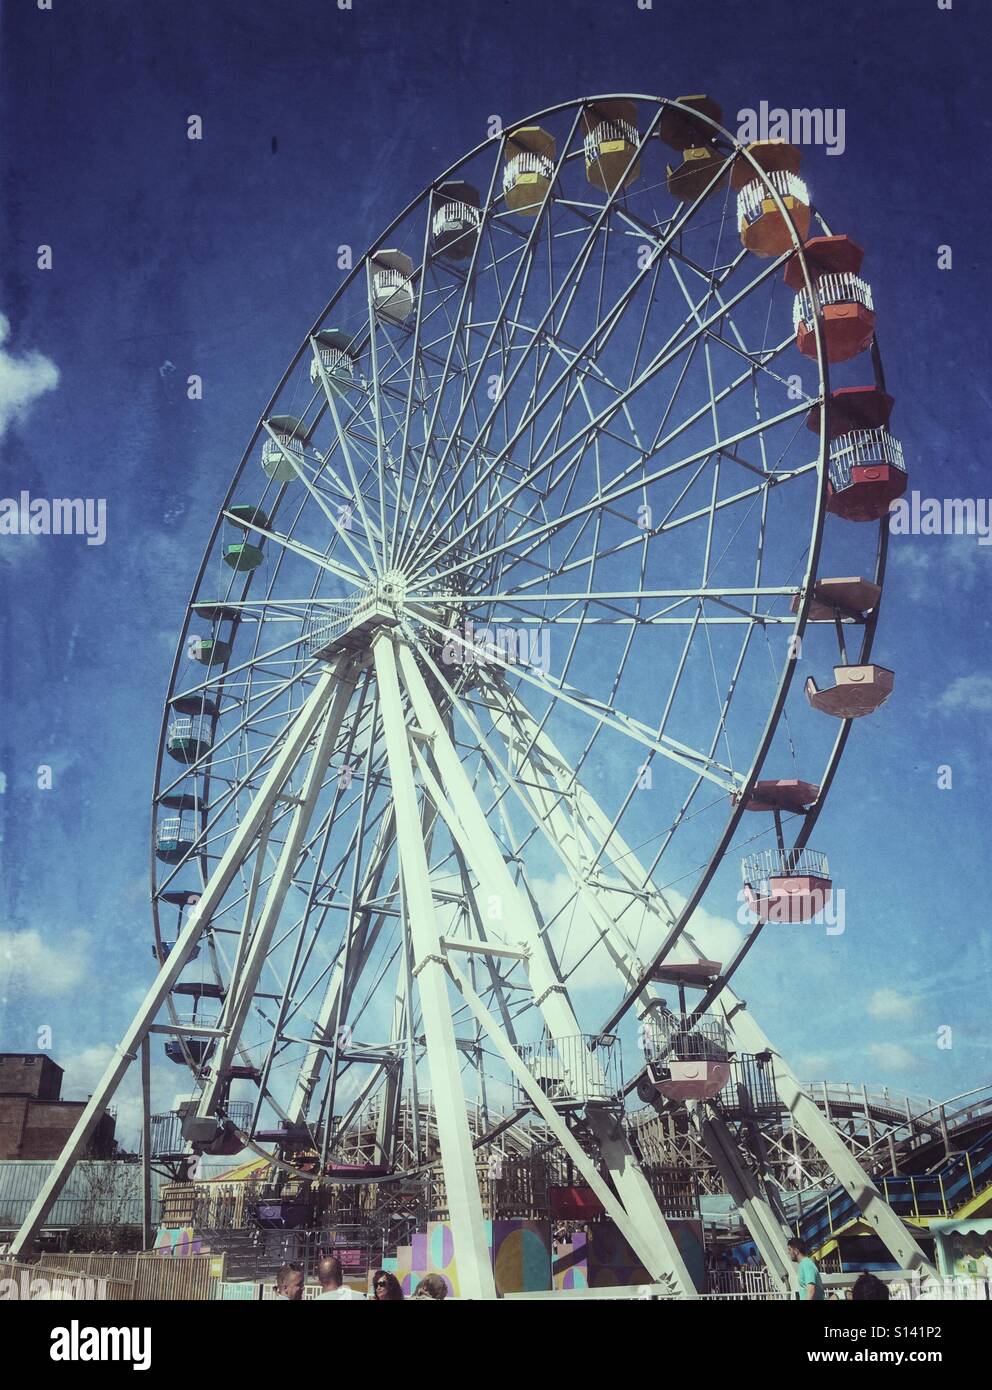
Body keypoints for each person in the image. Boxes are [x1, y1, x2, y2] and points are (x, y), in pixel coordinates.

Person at [788, 1237, 824, 1302]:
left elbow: (811, 1289)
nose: (789, 1252)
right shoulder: (804, 1264)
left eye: (790, 1250)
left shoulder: (806, 1264)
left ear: (796, 1251)